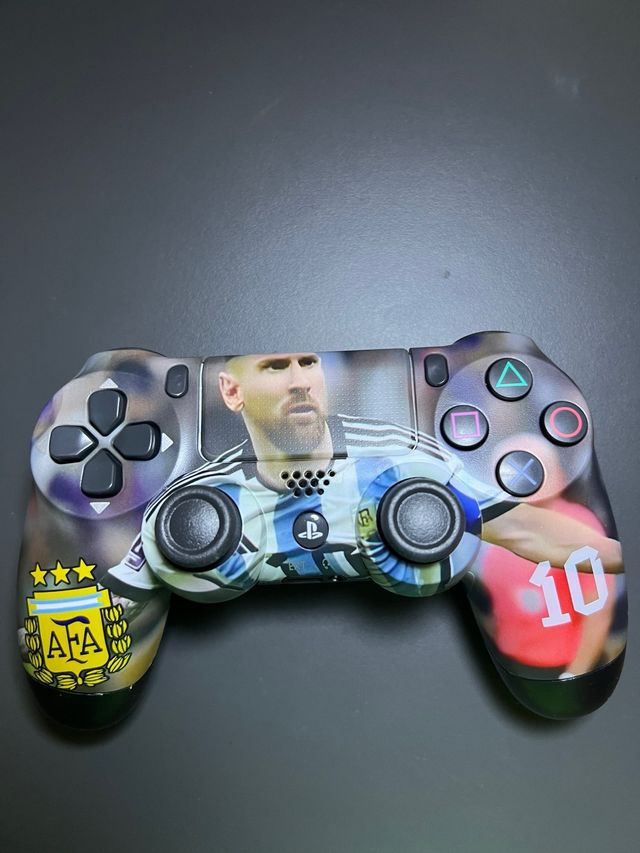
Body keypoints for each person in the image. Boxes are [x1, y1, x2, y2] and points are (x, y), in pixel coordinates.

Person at [216, 352, 623, 574]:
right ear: (232, 392)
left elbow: (526, 530)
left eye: (308, 363)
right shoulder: (211, 487)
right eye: (275, 367)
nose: (300, 382)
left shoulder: (399, 455)